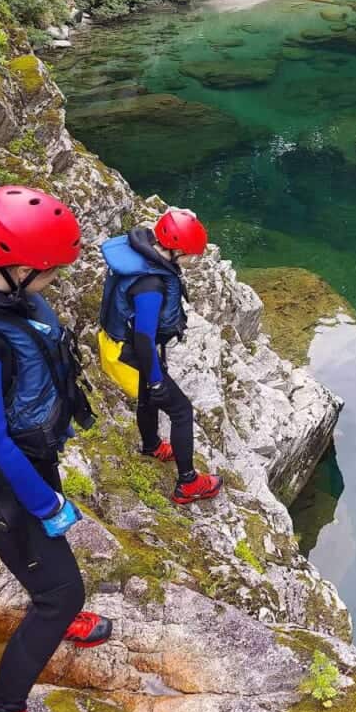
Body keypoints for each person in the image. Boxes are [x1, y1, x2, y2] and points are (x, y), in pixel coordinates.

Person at [0, 186, 113, 712]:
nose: (55, 279)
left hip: (26, 457)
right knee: (60, 594)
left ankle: (53, 602)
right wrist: (44, 501)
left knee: (53, 571)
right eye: (51, 270)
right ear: (19, 268)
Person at [98, 208, 222, 505]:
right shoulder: (150, 285)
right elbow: (143, 335)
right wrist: (155, 380)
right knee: (181, 411)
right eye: (192, 255)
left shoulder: (142, 257)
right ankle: (188, 484)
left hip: (119, 342)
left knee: (146, 399)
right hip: (133, 351)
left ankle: (152, 445)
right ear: (176, 250)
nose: (195, 260)